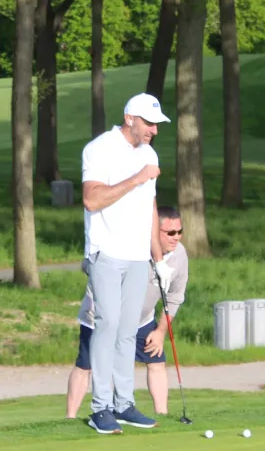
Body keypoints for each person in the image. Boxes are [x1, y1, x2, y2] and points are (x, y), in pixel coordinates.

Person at [78, 92, 174, 434]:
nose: (154, 131)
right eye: (149, 123)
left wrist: (158, 258)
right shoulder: (99, 148)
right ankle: (100, 407)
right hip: (106, 252)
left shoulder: (149, 153)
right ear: (129, 118)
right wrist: (137, 177)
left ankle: (123, 404)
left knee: (128, 331)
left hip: (138, 256)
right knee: (107, 325)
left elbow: (150, 207)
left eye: (157, 124)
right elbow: (91, 200)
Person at [65, 206, 190, 420]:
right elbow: (88, 264)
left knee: (156, 361)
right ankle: (70, 418)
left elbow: (175, 296)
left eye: (179, 232)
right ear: (153, 230)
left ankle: (163, 415)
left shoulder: (179, 255)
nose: (176, 237)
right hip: (99, 317)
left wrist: (161, 331)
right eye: (170, 232)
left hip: (141, 319)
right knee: (85, 365)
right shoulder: (132, 247)